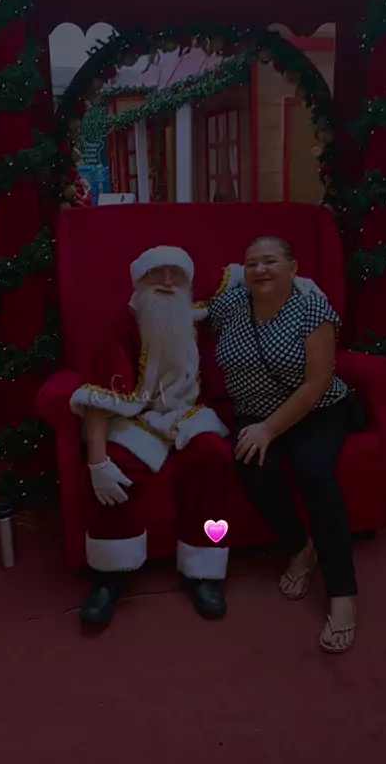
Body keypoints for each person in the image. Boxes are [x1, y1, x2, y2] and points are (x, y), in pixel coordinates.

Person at [206, 236, 358, 654]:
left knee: (314, 472)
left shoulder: (312, 308)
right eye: (251, 263)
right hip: (254, 410)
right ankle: (299, 547)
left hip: (316, 408)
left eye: (270, 261)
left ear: (293, 268)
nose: (260, 269)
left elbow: (317, 382)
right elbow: (190, 312)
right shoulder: (231, 304)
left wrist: (269, 429)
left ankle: (342, 592)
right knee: (251, 465)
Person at [70, 246, 230, 627]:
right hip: (135, 418)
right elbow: (97, 395)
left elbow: (238, 276)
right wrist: (97, 462)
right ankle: (110, 574)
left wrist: (299, 282)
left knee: (212, 457)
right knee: (119, 468)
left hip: (187, 414)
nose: (168, 282)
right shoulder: (122, 326)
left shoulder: (194, 315)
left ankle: (203, 569)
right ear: (139, 281)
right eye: (157, 274)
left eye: (177, 275)